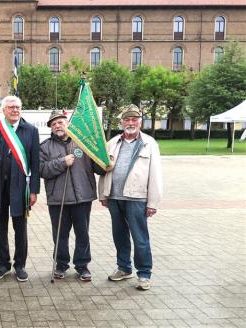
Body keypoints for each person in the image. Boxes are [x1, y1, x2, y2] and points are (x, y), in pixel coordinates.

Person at [99, 104, 163, 291]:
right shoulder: (113, 142)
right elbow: (104, 171)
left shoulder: (149, 143)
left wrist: (153, 202)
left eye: (134, 119)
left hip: (137, 199)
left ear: (140, 122)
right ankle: (124, 268)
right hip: (114, 197)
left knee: (140, 238)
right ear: (122, 122)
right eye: (127, 119)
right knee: (119, 236)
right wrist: (103, 194)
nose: (130, 122)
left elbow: (155, 174)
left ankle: (144, 274)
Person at [39, 110, 105, 282]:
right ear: (51, 128)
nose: (57, 126)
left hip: (82, 197)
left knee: (82, 233)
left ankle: (82, 265)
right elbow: (42, 170)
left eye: (60, 122)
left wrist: (105, 161)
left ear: (67, 123)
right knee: (60, 234)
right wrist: (62, 162)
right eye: (53, 124)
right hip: (58, 199)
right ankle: (61, 264)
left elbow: (97, 167)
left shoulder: (82, 143)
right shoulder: (45, 146)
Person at [0, 95, 40, 282]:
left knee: (21, 228)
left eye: (18, 107)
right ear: (3, 110)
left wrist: (34, 190)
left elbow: (35, 162)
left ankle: (20, 265)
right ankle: (3, 264)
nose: (15, 110)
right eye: (11, 107)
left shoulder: (31, 130)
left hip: (21, 188)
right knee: (0, 228)